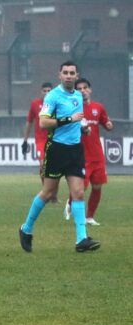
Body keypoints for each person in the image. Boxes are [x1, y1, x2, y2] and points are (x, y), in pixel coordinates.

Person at [19, 61, 100, 253]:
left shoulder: (78, 96)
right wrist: (69, 120)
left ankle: (82, 239)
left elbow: (75, 121)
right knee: (48, 193)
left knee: (78, 193)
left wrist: (82, 127)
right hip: (56, 150)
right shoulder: (53, 96)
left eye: (72, 73)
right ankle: (26, 228)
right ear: (60, 75)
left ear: (77, 75)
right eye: (66, 73)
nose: (69, 76)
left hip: (75, 150)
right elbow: (43, 122)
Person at [64, 78, 114, 226]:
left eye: (85, 88)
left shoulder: (98, 107)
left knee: (97, 186)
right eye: (79, 88)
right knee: (82, 187)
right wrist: (82, 129)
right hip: (82, 155)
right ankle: (70, 201)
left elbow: (106, 123)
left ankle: (89, 217)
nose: (83, 91)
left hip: (97, 155)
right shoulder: (74, 109)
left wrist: (109, 125)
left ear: (90, 90)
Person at [22, 82, 56, 201]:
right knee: (43, 165)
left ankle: (53, 193)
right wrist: (25, 141)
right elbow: (29, 122)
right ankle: (47, 191)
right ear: (40, 92)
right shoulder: (35, 104)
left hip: (55, 140)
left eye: (49, 91)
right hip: (41, 141)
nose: (46, 93)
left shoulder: (57, 104)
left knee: (54, 168)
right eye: (44, 91)